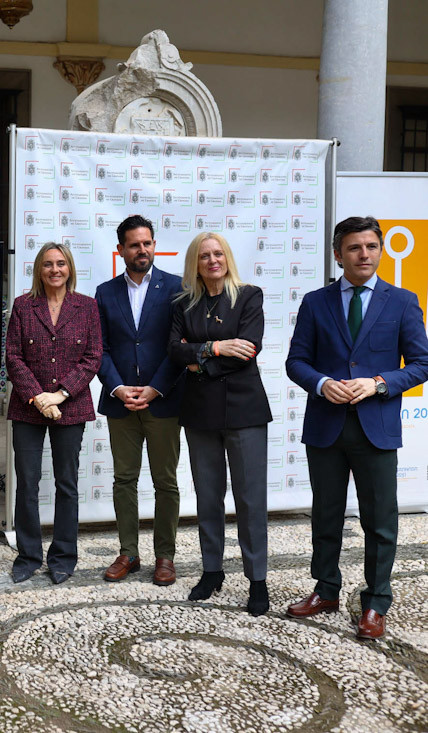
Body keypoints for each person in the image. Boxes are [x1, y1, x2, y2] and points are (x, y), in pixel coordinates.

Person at [285, 216, 428, 640]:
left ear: (380, 250)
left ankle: (376, 602)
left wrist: (380, 383)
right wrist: (322, 383)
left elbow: (422, 364)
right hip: (326, 426)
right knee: (325, 516)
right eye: (354, 248)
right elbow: (296, 362)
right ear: (337, 254)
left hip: (376, 427)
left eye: (370, 246)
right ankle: (326, 589)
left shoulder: (402, 301)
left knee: (380, 520)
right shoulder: (315, 302)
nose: (363, 254)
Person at [169, 232, 272, 616]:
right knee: (208, 497)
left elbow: (247, 349)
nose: (213, 260)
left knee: (249, 499)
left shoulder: (249, 296)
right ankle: (212, 570)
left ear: (227, 257)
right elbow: (173, 351)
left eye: (218, 254)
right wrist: (215, 346)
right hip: (200, 413)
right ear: (195, 263)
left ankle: (257, 579)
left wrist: (201, 361)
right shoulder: (183, 303)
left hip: (245, 411)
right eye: (205, 256)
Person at [5, 242, 102, 584]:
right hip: (27, 407)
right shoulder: (22, 306)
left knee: (67, 483)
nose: (55, 270)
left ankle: (63, 556)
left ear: (70, 268)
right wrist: (38, 398)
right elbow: (13, 357)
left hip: (71, 406)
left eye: (61, 264)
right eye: (48, 264)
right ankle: (28, 555)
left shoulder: (87, 307)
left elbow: (93, 357)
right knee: (27, 482)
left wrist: (59, 395)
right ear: (39, 270)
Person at [95, 215, 184, 586]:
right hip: (121, 402)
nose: (142, 250)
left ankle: (165, 556)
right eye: (134, 244)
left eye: (147, 243)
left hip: (162, 401)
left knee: (166, 482)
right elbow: (98, 348)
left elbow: (178, 347)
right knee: (124, 479)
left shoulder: (178, 288)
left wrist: (155, 388)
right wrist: (117, 388)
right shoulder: (105, 292)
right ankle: (128, 552)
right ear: (121, 250)